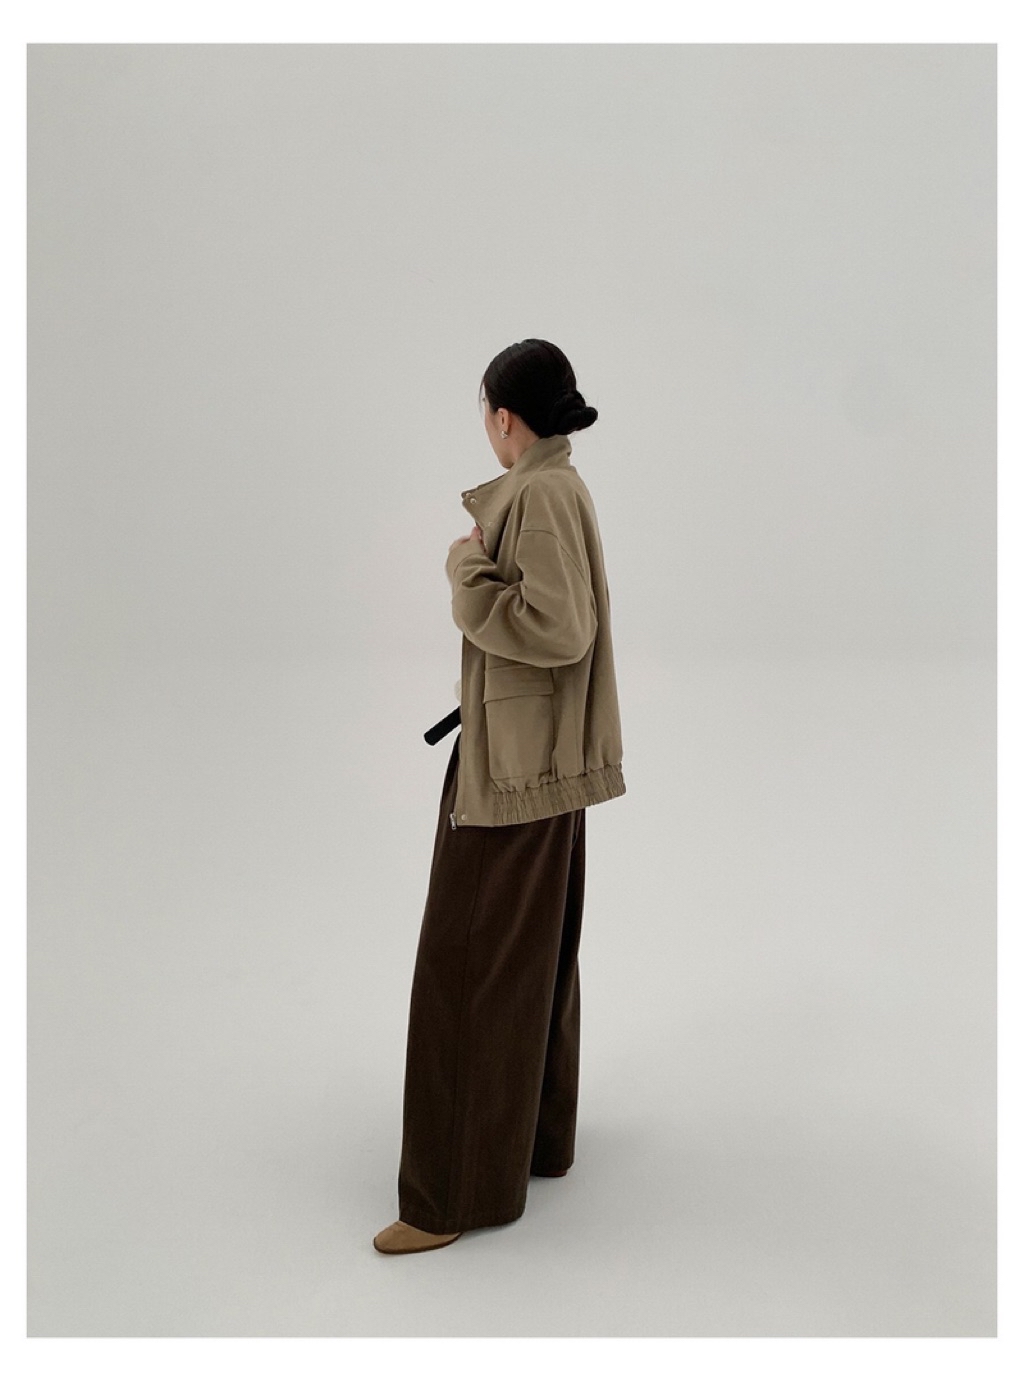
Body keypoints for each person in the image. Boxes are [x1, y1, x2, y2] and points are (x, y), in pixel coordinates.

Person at [373, 338, 625, 1254]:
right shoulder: (557, 484)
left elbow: (558, 628)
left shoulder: (541, 494)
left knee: (466, 970)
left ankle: (449, 1196)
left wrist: (467, 572)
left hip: (517, 769)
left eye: (485, 410)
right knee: (530, 958)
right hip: (534, 760)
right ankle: (534, 1144)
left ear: (504, 416)